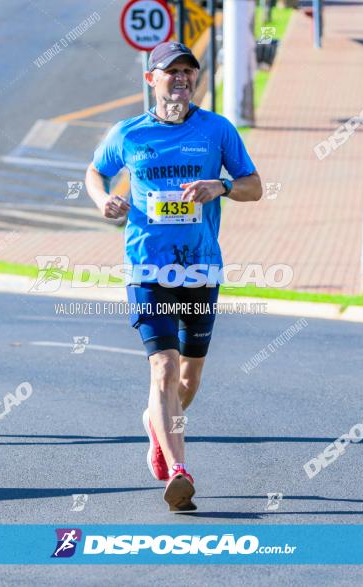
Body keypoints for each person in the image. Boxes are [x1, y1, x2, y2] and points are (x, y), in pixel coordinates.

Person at [85, 42, 262, 511]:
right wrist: (104, 201)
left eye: (188, 72)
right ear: (151, 80)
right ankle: (179, 470)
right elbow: (94, 173)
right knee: (162, 367)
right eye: (171, 72)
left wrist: (220, 185)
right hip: (147, 266)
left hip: (201, 267)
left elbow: (254, 186)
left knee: (188, 378)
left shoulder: (217, 130)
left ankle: (154, 422)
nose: (181, 79)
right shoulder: (129, 133)